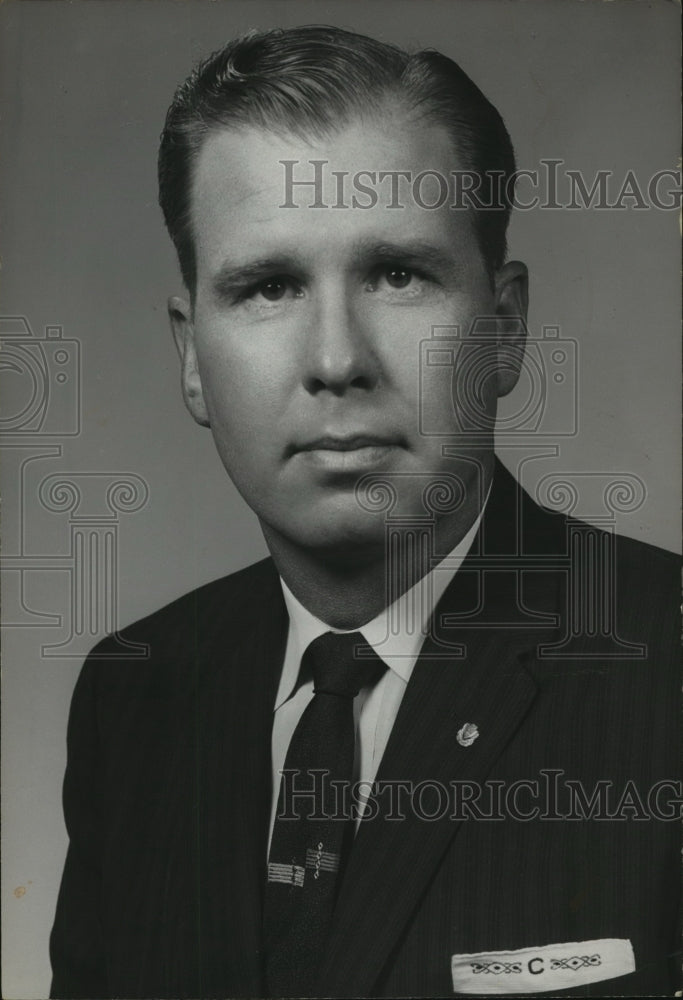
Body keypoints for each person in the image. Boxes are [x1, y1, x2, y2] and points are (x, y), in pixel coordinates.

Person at [49, 24, 680, 999]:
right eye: (267, 286)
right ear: (190, 357)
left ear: (503, 328)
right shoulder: (132, 700)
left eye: (396, 275)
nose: (336, 359)